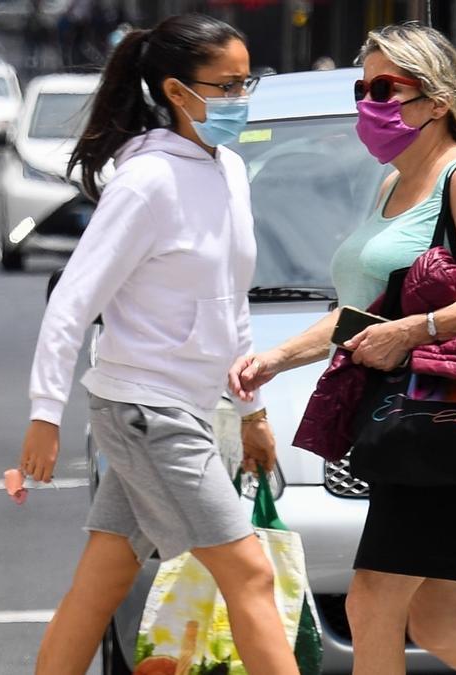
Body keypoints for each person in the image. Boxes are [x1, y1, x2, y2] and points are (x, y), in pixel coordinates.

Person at [230, 22, 456, 675]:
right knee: (439, 620)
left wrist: (414, 331)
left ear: (437, 101)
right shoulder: (395, 187)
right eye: (360, 87)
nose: (368, 102)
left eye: (384, 87)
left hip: (446, 426)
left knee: (371, 603)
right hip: (410, 429)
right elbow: (365, 315)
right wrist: (275, 359)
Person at [17, 14, 298, 675]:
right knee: (251, 575)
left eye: (246, 81)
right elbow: (72, 301)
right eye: (226, 86)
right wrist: (44, 411)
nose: (242, 98)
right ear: (176, 90)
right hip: (149, 415)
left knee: (100, 582)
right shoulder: (145, 183)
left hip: (184, 409)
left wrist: (251, 411)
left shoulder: (227, 169)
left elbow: (231, 303)